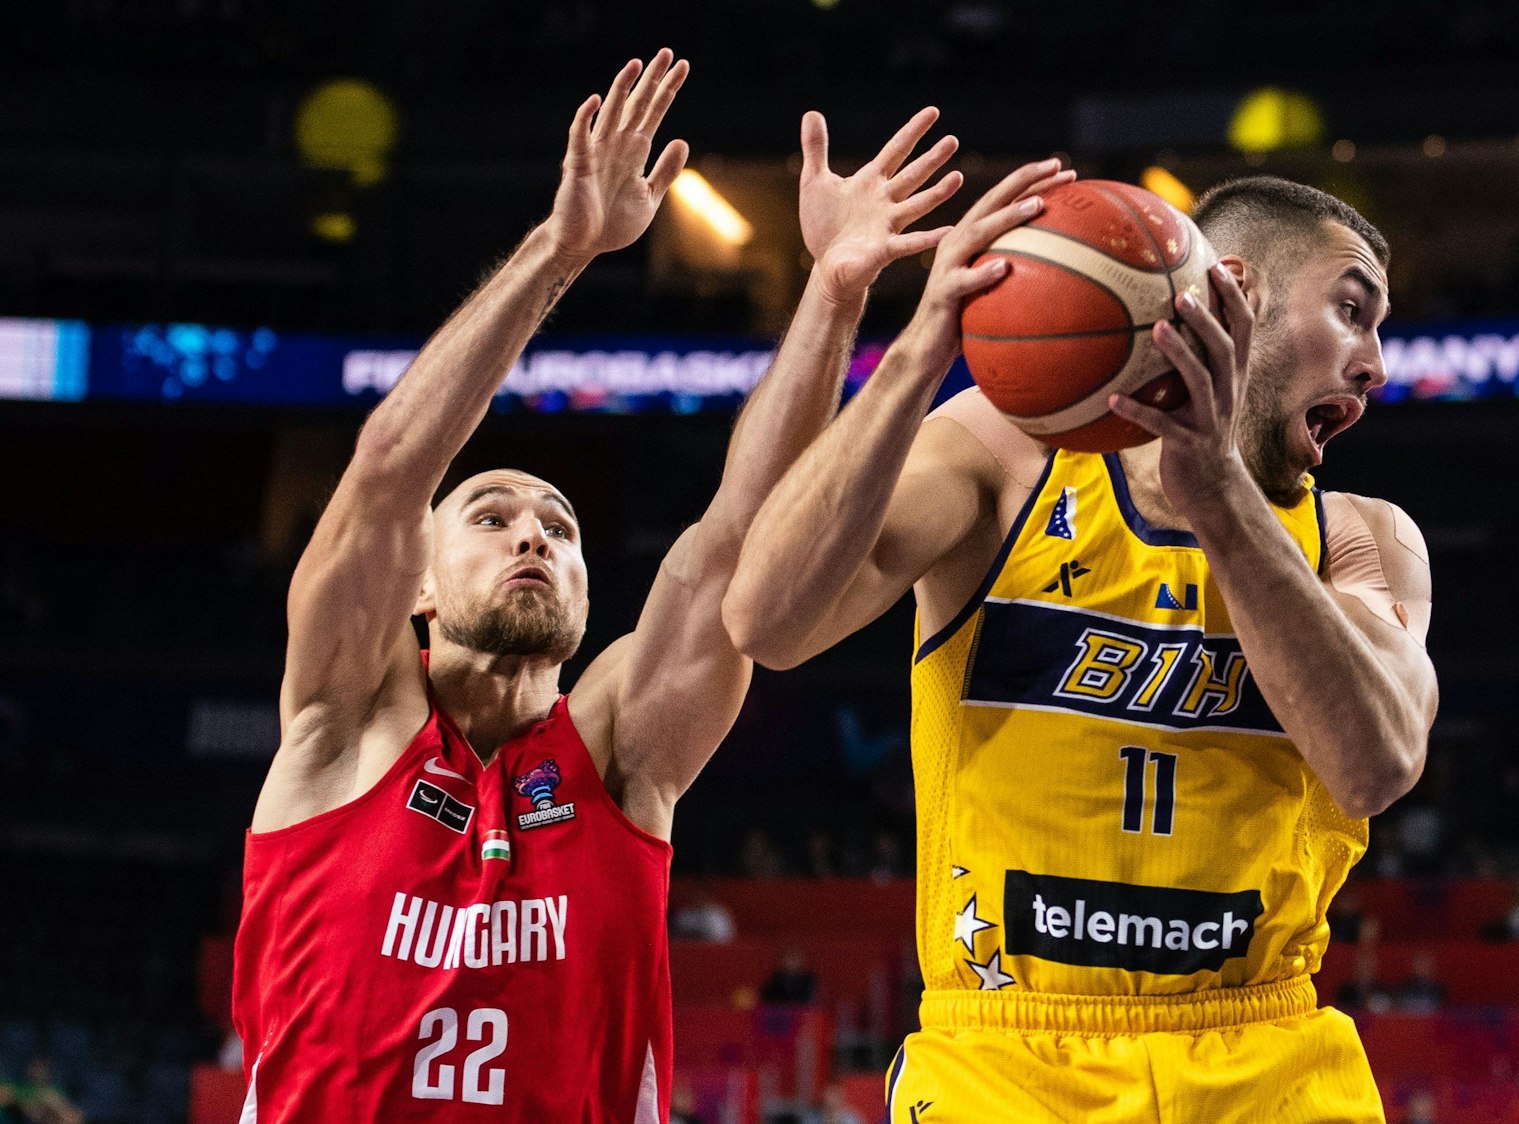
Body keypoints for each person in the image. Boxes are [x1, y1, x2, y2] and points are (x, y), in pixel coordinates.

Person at [230, 51, 970, 1120]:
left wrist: (835, 288)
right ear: (420, 585)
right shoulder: (340, 725)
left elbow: (733, 542)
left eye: (560, 528)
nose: (533, 534)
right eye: (490, 517)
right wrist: (564, 247)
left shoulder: (621, 752)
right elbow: (390, 466)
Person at [727, 175, 1436, 1121]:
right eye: (1352, 312)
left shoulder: (1362, 536)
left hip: (1263, 1059)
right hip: (1004, 1058)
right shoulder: (1003, 454)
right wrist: (922, 348)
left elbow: (1376, 764)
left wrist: (1217, 493)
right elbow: (767, 623)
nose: (1375, 364)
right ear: (1232, 291)